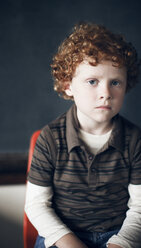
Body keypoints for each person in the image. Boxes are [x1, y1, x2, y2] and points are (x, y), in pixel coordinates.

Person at [25, 22, 141, 248]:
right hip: (63, 236)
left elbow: (139, 207)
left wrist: (120, 243)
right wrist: (70, 243)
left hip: (118, 235)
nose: (105, 94)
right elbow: (36, 205)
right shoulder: (50, 138)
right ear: (68, 86)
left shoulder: (135, 140)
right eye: (92, 82)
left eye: (115, 82)